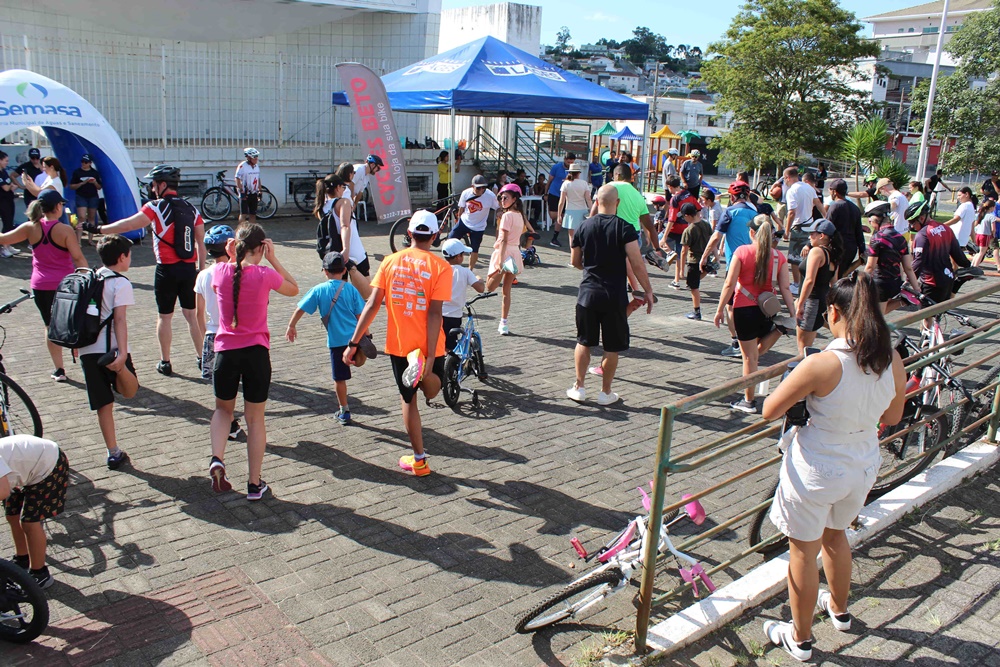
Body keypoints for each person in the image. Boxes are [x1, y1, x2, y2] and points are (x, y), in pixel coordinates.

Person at [760, 272, 906, 662]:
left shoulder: (822, 363)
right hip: (862, 461)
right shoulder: (890, 358)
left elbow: (768, 411)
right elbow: (892, 416)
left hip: (817, 467)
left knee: (803, 554)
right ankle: (839, 611)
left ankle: (801, 639)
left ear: (835, 312)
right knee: (837, 537)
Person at [344, 210, 452, 477]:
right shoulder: (441, 267)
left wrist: (354, 341)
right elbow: (435, 313)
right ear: (435, 236)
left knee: (409, 401)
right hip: (430, 342)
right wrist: (427, 355)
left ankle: (419, 460)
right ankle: (424, 372)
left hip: (400, 343)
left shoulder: (391, 261)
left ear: (409, 233)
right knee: (431, 391)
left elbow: (372, 303)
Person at [208, 223, 298, 500]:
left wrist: (232, 255)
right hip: (256, 354)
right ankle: (254, 483)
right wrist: (272, 258)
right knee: (255, 419)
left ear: (233, 247)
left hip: (225, 353)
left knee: (223, 411)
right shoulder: (265, 274)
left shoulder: (218, 271)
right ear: (262, 248)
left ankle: (217, 458)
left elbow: (231, 270)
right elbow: (294, 289)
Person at [96, 165, 207, 376]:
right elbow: (200, 242)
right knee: (191, 317)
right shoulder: (192, 209)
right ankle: (202, 359)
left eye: (154, 184)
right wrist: (200, 271)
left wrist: (101, 229)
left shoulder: (154, 207)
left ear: (163, 185)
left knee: (164, 317)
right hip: (189, 270)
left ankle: (165, 361)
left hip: (166, 270)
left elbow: (128, 225)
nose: (152, 188)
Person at [568, 184, 654, 405]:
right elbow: (636, 262)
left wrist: (590, 269)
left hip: (587, 293)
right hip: (614, 295)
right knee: (611, 346)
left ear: (596, 202)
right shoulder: (624, 228)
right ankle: (606, 393)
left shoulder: (584, 226)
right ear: (617, 203)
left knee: (584, 341)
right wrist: (648, 290)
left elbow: (575, 261)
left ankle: (579, 387)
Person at [0, 191, 87, 380]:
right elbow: (78, 257)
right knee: (74, 324)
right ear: (57, 207)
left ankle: (59, 370)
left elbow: (3, 239)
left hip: (40, 286)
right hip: (65, 285)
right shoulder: (65, 230)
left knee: (50, 326)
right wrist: (88, 280)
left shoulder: (30, 228)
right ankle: (85, 365)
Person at [713, 216, 794, 414]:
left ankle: (748, 401)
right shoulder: (778, 257)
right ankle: (778, 330)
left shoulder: (742, 252)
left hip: (745, 309)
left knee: (749, 358)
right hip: (767, 309)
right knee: (756, 352)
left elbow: (729, 284)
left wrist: (719, 309)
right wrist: (792, 313)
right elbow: (785, 287)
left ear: (751, 233)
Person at [77, 234, 139, 472]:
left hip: (87, 349)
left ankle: (112, 452)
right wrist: (122, 354)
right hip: (110, 348)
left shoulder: (89, 277)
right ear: (122, 257)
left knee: (104, 404)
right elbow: (120, 320)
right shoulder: (120, 283)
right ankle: (121, 368)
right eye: (130, 255)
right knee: (130, 389)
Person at [286, 251, 366, 426]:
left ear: (324, 271)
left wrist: (292, 325)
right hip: (354, 338)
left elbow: (301, 308)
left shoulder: (318, 290)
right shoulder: (351, 289)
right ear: (344, 270)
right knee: (356, 363)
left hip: (337, 342)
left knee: (339, 379)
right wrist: (366, 334)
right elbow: (361, 314)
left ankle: (344, 410)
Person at [194, 224, 245, 441]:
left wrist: (205, 337)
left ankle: (228, 422)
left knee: (220, 385)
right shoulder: (237, 272)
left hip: (212, 334)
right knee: (237, 383)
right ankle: (232, 424)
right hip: (235, 335)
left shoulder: (203, 275)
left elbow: (198, 313)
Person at [0, 434, 70, 589]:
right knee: (12, 515)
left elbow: (3, 491)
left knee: (29, 523)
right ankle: (22, 559)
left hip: (49, 465)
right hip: (24, 470)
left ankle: (40, 574)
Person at [702, 181, 758, 358]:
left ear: (732, 197)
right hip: (754, 262)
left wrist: (704, 257)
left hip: (735, 263)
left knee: (730, 305)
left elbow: (716, 237)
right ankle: (750, 339)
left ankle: (736, 342)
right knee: (749, 302)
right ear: (747, 196)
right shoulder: (755, 213)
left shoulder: (730, 212)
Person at [486, 184, 531, 335]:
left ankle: (503, 323)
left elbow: (504, 240)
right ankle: (503, 323)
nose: (502, 200)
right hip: (515, 253)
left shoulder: (507, 216)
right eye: (500, 198)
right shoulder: (520, 215)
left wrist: (500, 261)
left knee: (489, 287)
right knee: (507, 291)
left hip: (504, 253)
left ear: (514, 199)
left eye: (506, 198)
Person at [907, 199, 970, 305]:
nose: (911, 226)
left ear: (921, 218)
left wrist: (909, 281)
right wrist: (969, 266)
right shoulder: (946, 228)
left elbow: (918, 261)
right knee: (940, 312)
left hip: (931, 282)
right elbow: (958, 255)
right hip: (948, 278)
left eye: (912, 222)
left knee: (926, 317)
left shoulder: (922, 235)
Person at [795, 218, 842, 353]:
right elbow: (834, 283)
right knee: (806, 344)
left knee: (803, 348)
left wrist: (800, 304)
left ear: (822, 236)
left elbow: (809, 280)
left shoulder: (817, 252)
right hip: (821, 300)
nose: (809, 237)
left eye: (812, 234)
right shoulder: (832, 254)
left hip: (811, 302)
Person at [863, 201, 920, 312]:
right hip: (896, 282)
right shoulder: (900, 238)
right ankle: (903, 299)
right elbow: (908, 267)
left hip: (880, 283)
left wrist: (858, 282)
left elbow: (870, 266)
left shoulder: (877, 238)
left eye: (870, 220)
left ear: (876, 219)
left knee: (876, 316)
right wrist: (917, 289)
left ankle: (902, 301)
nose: (870, 224)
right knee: (879, 314)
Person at [315, 174, 372, 283]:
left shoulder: (321, 207)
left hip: (334, 252)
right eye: (343, 187)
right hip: (354, 251)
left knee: (340, 290)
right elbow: (344, 226)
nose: (343, 190)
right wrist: (346, 249)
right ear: (337, 188)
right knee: (367, 294)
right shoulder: (343, 202)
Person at [440, 238, 485, 352]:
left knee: (439, 343)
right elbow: (480, 289)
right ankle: (451, 366)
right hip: (454, 315)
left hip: (438, 313)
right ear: (458, 257)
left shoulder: (439, 269)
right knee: (451, 346)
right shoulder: (465, 272)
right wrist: (480, 279)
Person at [785, 166, 825, 291]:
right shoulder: (808, 187)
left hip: (798, 226)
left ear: (788, 178)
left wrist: (787, 230)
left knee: (794, 257)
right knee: (808, 255)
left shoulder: (792, 191)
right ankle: (807, 281)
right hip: (810, 224)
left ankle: (797, 284)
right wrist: (826, 217)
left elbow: (792, 212)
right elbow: (818, 203)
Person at [451, 174, 499, 269]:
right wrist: (458, 220)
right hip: (464, 222)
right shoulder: (466, 193)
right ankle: (451, 266)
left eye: (484, 188)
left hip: (478, 227)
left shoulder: (490, 195)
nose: (481, 190)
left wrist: (500, 213)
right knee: (450, 241)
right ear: (472, 186)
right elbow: (461, 208)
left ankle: (470, 270)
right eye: (478, 188)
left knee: (474, 250)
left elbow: (498, 207)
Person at [663, 175, 702, 289]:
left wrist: (664, 236)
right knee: (680, 254)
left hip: (675, 228)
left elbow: (671, 219)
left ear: (670, 187)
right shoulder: (688, 194)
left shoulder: (675, 199)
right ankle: (678, 279)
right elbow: (698, 208)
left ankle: (669, 252)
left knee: (659, 240)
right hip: (685, 227)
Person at [825, 179, 866, 277]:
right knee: (842, 274)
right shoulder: (855, 208)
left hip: (837, 247)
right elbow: (859, 231)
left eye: (830, 190)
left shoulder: (834, 206)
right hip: (851, 248)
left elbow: (826, 227)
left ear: (835, 192)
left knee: (833, 276)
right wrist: (862, 250)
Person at [679, 203, 712, 320]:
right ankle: (708, 270)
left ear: (688, 216)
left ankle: (697, 311)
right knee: (695, 281)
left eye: (683, 216)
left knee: (694, 287)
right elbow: (711, 242)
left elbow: (684, 251)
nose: (683, 218)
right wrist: (715, 256)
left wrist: (681, 270)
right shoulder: (706, 225)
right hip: (705, 259)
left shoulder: (689, 230)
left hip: (694, 261)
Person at [557, 162, 593, 248]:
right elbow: (588, 199)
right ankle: (582, 255)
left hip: (570, 212)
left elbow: (561, 201)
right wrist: (591, 211)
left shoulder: (566, 184)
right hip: (583, 210)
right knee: (583, 235)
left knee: (572, 237)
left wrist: (559, 215)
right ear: (579, 173)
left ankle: (573, 257)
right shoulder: (584, 183)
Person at [69, 154, 102, 246]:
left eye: (86, 162)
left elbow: (99, 187)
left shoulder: (94, 173)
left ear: (90, 163)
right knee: (82, 217)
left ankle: (90, 240)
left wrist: (94, 182)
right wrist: (83, 183)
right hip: (81, 196)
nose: (83, 163)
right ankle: (78, 241)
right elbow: (71, 186)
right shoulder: (77, 172)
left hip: (93, 196)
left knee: (91, 217)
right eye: (82, 161)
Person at [547, 152, 576, 247]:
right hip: (554, 193)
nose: (570, 164)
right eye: (568, 162)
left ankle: (554, 238)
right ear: (564, 160)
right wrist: (545, 193)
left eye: (572, 162)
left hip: (565, 195)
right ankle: (555, 222)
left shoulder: (574, 169)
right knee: (553, 215)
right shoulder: (556, 167)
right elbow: (550, 180)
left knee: (561, 216)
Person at [234, 147, 261, 225]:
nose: (256, 159)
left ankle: (251, 231)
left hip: (254, 193)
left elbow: (258, 179)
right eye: (254, 157)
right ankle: (241, 231)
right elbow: (237, 178)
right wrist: (241, 190)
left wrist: (260, 190)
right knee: (244, 214)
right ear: (249, 158)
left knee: (253, 214)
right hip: (245, 193)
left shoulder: (257, 166)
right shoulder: (242, 166)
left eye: (257, 157)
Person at [0, 151, 18, 258]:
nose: (7, 163)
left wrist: (11, 186)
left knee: (10, 223)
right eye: (5, 161)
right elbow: (6, 187)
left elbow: (10, 185)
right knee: (6, 223)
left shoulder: (4, 172)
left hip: (9, 200)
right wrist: (11, 186)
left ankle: (9, 245)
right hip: (2, 202)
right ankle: (4, 247)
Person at [972, 200, 998, 269]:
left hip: (978, 234)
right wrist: (993, 235)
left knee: (978, 252)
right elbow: (993, 229)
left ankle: (973, 265)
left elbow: (975, 224)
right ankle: (975, 267)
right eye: (994, 207)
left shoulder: (980, 214)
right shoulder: (991, 216)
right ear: (991, 207)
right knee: (982, 253)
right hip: (985, 235)